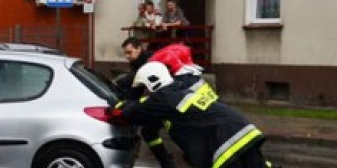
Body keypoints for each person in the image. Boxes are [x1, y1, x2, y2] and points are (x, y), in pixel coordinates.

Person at [114, 63, 272, 168]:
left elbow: (131, 112)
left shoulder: (163, 98)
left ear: (152, 82)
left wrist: (119, 105)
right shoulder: (179, 90)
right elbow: (149, 126)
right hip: (243, 129)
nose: (145, 92)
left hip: (225, 140)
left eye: (144, 87)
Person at [116, 37, 177, 168]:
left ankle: (168, 161)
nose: (127, 56)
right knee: (149, 132)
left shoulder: (149, 61)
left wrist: (117, 87)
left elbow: (133, 80)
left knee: (172, 130)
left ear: (139, 49)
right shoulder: (139, 61)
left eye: (129, 52)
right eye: (126, 53)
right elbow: (136, 88)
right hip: (163, 100)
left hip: (167, 100)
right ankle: (166, 162)